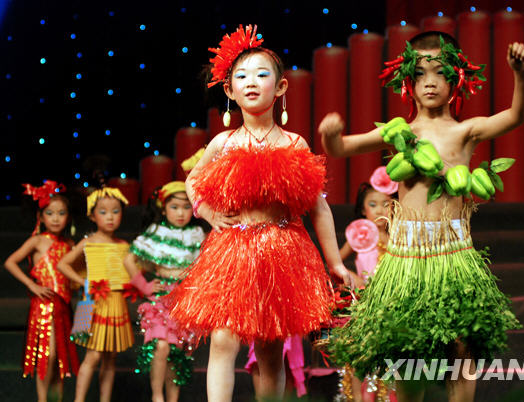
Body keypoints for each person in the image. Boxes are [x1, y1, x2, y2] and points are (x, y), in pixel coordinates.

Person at [319, 31, 524, 402]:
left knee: (462, 347)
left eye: (439, 73)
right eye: (419, 74)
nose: (430, 81)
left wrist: (521, 75)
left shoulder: (466, 131)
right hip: (406, 259)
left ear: (457, 79)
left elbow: (517, 116)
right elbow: (341, 148)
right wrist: (330, 136)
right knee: (408, 352)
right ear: (407, 81)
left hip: (454, 254)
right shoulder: (400, 133)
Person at [165, 24, 353, 401]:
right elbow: (193, 181)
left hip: (282, 252)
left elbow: (319, 208)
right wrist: (206, 211)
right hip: (232, 251)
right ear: (230, 91)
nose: (252, 82)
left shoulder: (295, 144)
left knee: (271, 349)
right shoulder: (224, 141)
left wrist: (335, 263)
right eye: (242, 76)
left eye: (262, 74)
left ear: (280, 88)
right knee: (222, 339)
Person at [124, 181, 205, 402]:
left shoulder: (197, 233)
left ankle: (172, 398)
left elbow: (204, 266)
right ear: (163, 208)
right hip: (160, 297)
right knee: (160, 346)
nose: (180, 213)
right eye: (174, 207)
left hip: (184, 298)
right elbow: (129, 259)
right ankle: (157, 396)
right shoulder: (156, 231)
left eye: (186, 207)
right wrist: (144, 285)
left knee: (177, 352)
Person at [56, 186, 134, 402]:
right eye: (103, 212)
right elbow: (63, 264)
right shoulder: (88, 242)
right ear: (92, 215)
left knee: (110, 357)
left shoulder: (123, 245)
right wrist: (84, 282)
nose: (110, 217)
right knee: (93, 355)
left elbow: (130, 273)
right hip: (92, 302)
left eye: (115, 211)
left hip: (116, 302)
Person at [4, 180, 79, 401]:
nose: (55, 218)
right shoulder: (37, 241)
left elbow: (73, 276)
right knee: (47, 354)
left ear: (68, 216)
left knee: (60, 359)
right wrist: (31, 285)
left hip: (64, 306)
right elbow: (10, 262)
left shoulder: (69, 244)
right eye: (50, 213)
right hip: (44, 305)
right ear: (41, 216)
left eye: (61, 213)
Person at [337, 167, 396, 401]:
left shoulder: (398, 237)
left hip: (390, 304)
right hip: (365, 304)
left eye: (386, 203)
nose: (379, 209)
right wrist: (354, 279)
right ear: (363, 210)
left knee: (389, 356)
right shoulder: (359, 235)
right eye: (372, 204)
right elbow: (335, 264)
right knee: (362, 356)